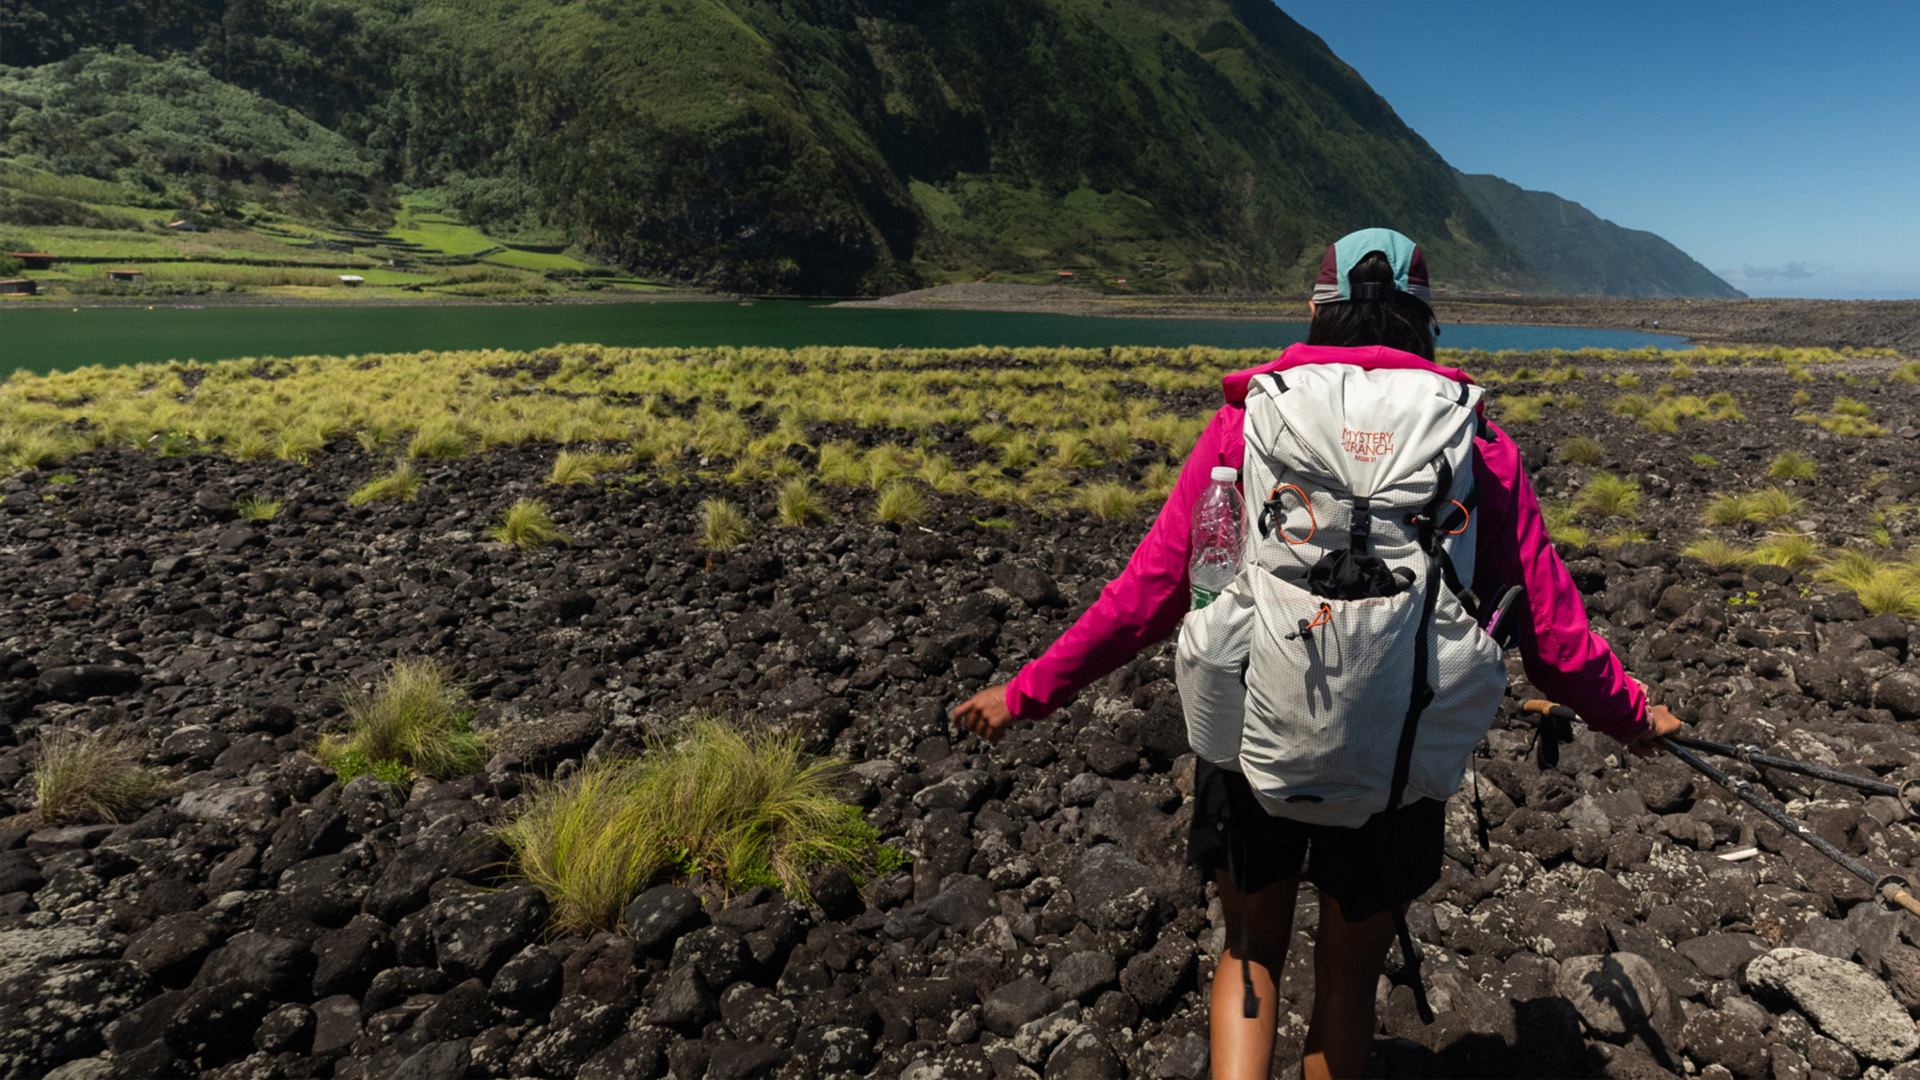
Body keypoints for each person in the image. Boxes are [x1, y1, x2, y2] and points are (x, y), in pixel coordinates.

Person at [952, 228, 1681, 1080]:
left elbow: (1150, 594)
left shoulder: (1249, 420)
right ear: (1425, 318)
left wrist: (1027, 691)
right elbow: (1553, 639)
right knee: (1345, 985)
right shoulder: (1476, 444)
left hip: (1252, 731)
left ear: (1315, 309)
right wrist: (1634, 716)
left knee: (1251, 955)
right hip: (1397, 754)